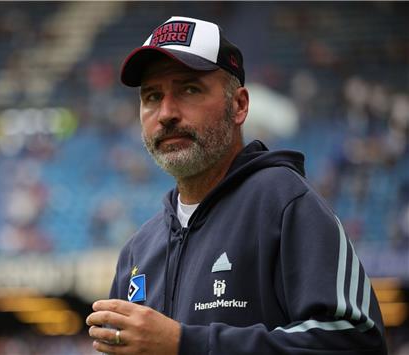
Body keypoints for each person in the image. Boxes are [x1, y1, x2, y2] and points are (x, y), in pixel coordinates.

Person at [86, 16, 387, 355]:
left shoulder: (285, 202)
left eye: (189, 89)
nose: (166, 113)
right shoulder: (137, 251)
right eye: (152, 96)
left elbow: (356, 342)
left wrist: (186, 345)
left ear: (239, 105)